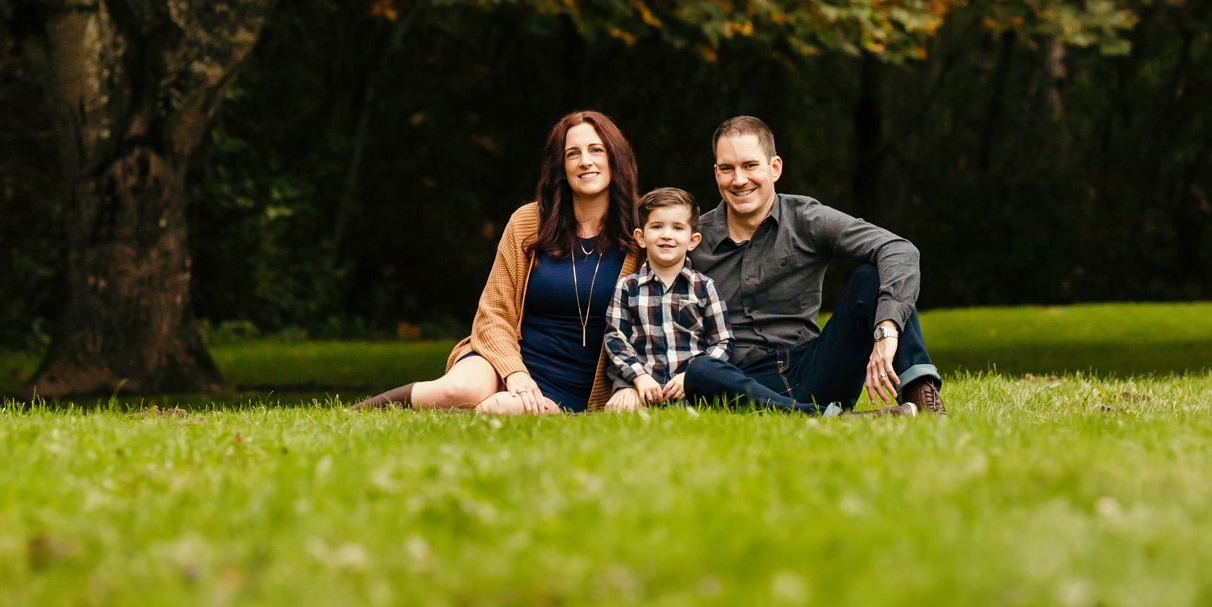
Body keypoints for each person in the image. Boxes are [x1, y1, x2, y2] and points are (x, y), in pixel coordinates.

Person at [357, 111, 640, 414]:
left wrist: (633, 385)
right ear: (561, 168)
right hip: (504, 361)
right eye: (573, 154)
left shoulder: (641, 236)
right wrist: (513, 371)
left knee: (499, 409)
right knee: (459, 389)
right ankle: (356, 413)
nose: (585, 161)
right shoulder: (528, 222)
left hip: (572, 388)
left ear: (615, 157)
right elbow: (493, 312)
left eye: (596, 149)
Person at [680, 115, 945, 415]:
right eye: (727, 168)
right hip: (743, 380)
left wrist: (887, 330)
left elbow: (898, 250)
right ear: (716, 173)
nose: (739, 179)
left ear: (775, 168)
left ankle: (923, 398)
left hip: (816, 369)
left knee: (873, 277)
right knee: (700, 370)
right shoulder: (692, 242)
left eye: (750, 165)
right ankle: (829, 419)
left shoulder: (805, 219)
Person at [601, 187, 731, 412]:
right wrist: (638, 377)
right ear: (641, 237)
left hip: (690, 387)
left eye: (678, 228)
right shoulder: (628, 287)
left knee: (697, 413)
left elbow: (723, 342)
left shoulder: (704, 287)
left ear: (693, 240)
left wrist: (693, 376)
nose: (667, 235)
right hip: (644, 386)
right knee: (622, 410)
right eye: (657, 226)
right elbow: (615, 338)